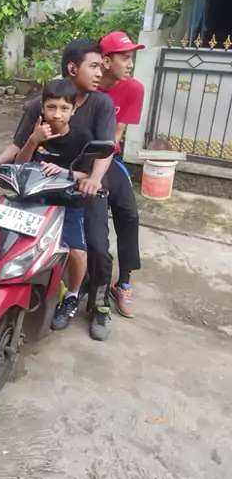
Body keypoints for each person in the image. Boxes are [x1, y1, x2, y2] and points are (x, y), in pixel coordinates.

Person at [0, 39, 116, 341]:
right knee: (9, 228)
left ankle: (90, 301)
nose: (101, 72)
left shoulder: (97, 111)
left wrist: (91, 179)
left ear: (72, 110)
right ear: (73, 68)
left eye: (64, 108)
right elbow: (20, 148)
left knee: (92, 247)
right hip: (40, 189)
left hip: (80, 186)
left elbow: (101, 154)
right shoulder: (38, 109)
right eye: (94, 66)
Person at [14, 78, 91, 330]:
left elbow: (87, 174)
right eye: (51, 107)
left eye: (64, 108)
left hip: (68, 202)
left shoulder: (82, 137)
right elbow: (20, 165)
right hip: (36, 198)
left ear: (73, 110)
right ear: (42, 107)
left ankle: (72, 295)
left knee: (77, 252)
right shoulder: (37, 130)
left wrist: (63, 172)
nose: (57, 114)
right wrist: (33, 140)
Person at [98, 31, 145, 319]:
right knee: (93, 218)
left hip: (108, 157)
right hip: (78, 158)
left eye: (131, 58)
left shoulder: (134, 89)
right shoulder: (87, 84)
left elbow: (116, 136)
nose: (130, 64)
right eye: (125, 58)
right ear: (106, 61)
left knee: (128, 213)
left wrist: (99, 169)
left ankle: (123, 283)